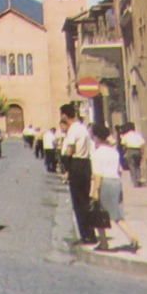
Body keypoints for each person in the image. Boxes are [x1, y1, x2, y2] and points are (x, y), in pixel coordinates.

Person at [89, 122, 140, 253]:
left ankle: (104, 242)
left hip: (105, 183)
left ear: (96, 137)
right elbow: (119, 170)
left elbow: (97, 175)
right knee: (117, 214)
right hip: (116, 181)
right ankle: (131, 236)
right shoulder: (113, 152)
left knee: (100, 214)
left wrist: (94, 190)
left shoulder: (97, 154)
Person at [59, 105, 98, 245]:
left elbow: (70, 149)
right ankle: (90, 233)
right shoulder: (82, 128)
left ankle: (86, 236)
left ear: (64, 115)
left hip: (77, 164)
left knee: (78, 202)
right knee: (84, 201)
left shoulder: (73, 129)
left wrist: (66, 167)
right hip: (85, 164)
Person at [120, 122, 146, 187]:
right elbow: (143, 143)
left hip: (130, 150)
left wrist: (124, 153)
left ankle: (135, 182)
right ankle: (139, 178)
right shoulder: (138, 135)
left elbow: (123, 144)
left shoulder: (126, 135)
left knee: (132, 166)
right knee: (137, 166)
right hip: (138, 150)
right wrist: (142, 153)